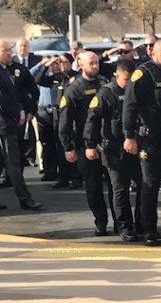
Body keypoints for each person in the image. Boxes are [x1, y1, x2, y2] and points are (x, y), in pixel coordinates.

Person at [122, 39, 161, 246]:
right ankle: (149, 230)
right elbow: (130, 106)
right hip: (150, 140)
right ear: (153, 54)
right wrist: (129, 136)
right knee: (150, 186)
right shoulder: (143, 74)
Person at [83, 59, 143, 242]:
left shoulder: (138, 90)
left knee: (145, 184)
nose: (129, 83)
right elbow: (92, 120)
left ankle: (141, 223)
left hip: (136, 146)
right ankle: (124, 226)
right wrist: (90, 145)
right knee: (120, 189)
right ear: (116, 76)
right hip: (113, 149)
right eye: (126, 79)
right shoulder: (105, 94)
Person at [58, 51, 112, 236]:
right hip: (85, 145)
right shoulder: (74, 89)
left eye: (97, 62)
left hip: (108, 142)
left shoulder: (105, 83)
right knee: (93, 185)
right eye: (91, 63)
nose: (95, 66)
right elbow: (64, 121)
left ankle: (122, 222)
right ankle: (101, 221)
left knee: (115, 185)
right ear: (80, 65)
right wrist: (68, 147)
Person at [0, 39, 43, 211]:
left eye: (10, 50)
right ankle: (25, 199)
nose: (10, 53)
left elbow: (28, 91)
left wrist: (26, 109)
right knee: (13, 164)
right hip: (4, 124)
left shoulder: (10, 69)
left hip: (7, 123)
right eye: (6, 50)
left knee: (14, 164)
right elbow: (3, 99)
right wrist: (17, 114)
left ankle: (24, 198)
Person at [35, 53, 81, 189]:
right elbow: (38, 80)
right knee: (60, 147)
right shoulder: (56, 77)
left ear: (71, 63)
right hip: (56, 116)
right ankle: (63, 177)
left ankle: (76, 177)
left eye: (64, 62)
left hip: (71, 116)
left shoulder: (76, 76)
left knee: (71, 146)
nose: (61, 64)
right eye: (59, 62)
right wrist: (48, 65)